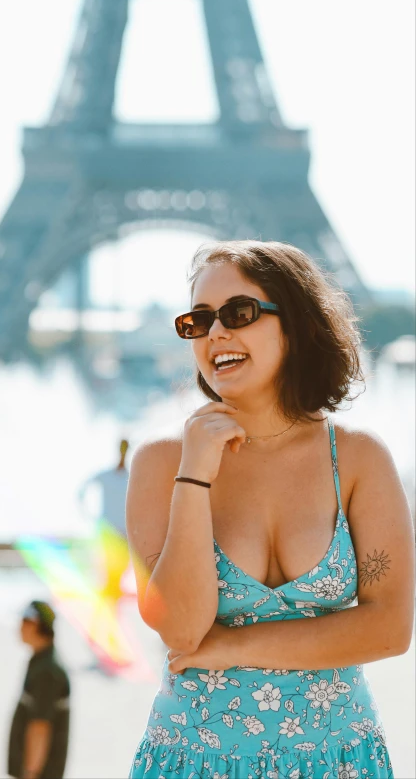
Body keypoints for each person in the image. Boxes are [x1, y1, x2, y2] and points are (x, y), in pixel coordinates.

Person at [127, 241, 415, 779]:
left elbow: (390, 630)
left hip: (338, 760)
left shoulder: (356, 459)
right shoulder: (161, 464)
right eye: (199, 320)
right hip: (196, 762)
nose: (216, 333)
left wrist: (234, 646)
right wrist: (194, 474)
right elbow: (183, 632)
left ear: (297, 324)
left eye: (239, 313)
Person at [8, 601, 70, 779]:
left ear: (36, 625)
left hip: (41, 772)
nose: (19, 627)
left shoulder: (47, 671)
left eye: (24, 622)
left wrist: (30, 772)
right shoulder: (41, 661)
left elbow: (40, 727)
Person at [79, 439, 131, 601]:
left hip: (123, 530)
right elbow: (82, 492)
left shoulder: (131, 476)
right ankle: (109, 593)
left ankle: (113, 592)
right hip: (108, 529)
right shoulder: (106, 475)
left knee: (121, 564)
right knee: (108, 563)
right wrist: (89, 515)